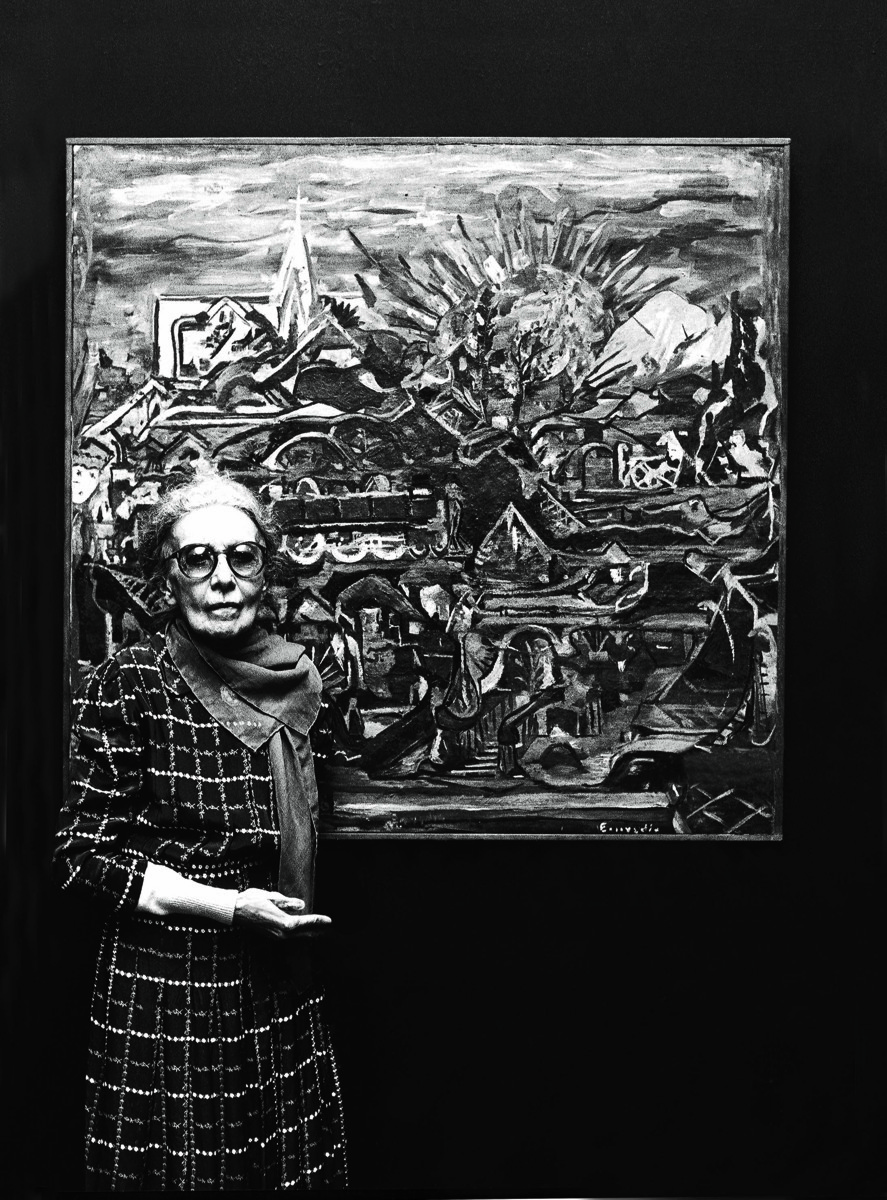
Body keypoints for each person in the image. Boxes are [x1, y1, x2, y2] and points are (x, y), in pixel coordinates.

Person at [54, 468, 348, 1191]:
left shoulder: (298, 679)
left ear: (265, 573)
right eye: (197, 559)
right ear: (168, 577)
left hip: (277, 979)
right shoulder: (133, 682)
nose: (222, 578)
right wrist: (231, 907)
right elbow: (81, 858)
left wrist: (264, 916)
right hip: (169, 987)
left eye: (242, 557)